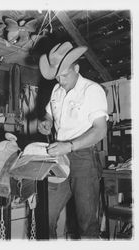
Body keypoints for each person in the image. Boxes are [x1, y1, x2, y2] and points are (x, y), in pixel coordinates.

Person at [38, 41, 108, 239]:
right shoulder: (56, 91)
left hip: (83, 158)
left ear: (76, 68)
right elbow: (49, 115)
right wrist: (46, 122)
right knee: (45, 217)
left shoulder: (92, 90)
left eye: (64, 75)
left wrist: (68, 146)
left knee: (86, 224)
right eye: (57, 76)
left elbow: (100, 129)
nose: (60, 80)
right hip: (59, 159)